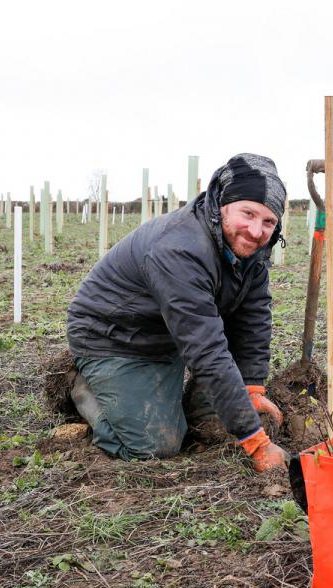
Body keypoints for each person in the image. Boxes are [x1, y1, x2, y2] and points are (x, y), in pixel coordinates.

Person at [66, 153, 289, 472]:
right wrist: (257, 444)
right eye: (248, 213)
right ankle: (83, 384)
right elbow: (206, 349)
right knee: (155, 446)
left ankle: (195, 405)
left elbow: (253, 316)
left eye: (268, 222)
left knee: (207, 417)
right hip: (114, 339)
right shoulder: (179, 250)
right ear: (223, 203)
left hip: (167, 335)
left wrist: (252, 387)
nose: (256, 231)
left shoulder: (248, 248)